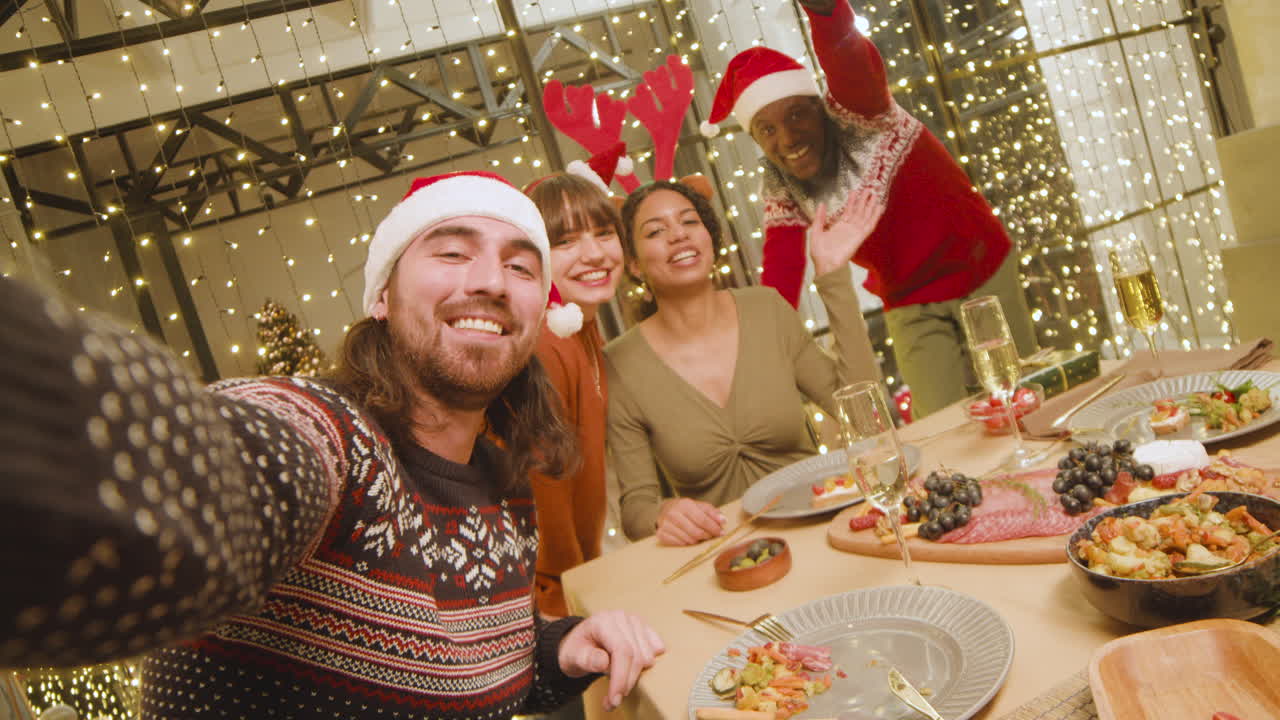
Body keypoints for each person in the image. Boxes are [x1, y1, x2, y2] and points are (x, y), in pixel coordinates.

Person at [0, 171, 663, 718]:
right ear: (382, 296)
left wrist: (560, 648)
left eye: (520, 266)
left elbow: (487, 667)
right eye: (452, 253)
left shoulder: (501, 487)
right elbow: (214, 473)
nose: (490, 280)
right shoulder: (326, 434)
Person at [700, 0, 1038, 418]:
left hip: (979, 268)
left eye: (797, 115)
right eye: (767, 130)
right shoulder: (779, 184)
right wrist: (758, 355)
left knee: (1026, 401)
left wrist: (826, 14)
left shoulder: (860, 112)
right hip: (908, 299)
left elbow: (849, 59)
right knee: (940, 426)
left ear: (818, 109)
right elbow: (781, 275)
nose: (786, 138)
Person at [606, 178, 883, 544]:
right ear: (635, 265)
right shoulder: (621, 364)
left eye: (690, 222)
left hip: (822, 530)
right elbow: (635, 509)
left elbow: (864, 414)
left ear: (710, 238)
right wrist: (662, 513)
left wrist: (832, 272)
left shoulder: (766, 309)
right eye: (656, 231)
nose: (678, 236)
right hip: (727, 556)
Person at [523, 172, 625, 620]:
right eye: (565, 241)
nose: (595, 254)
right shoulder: (545, 343)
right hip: (553, 606)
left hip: (585, 580)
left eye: (604, 233)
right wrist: (564, 604)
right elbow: (541, 487)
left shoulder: (583, 328)